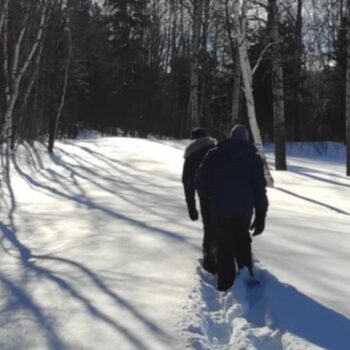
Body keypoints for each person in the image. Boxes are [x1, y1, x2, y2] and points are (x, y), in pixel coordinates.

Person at [195, 124, 268, 291]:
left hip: (221, 209)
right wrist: (261, 214)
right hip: (244, 211)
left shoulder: (214, 155)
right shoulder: (254, 158)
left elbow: (200, 181)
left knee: (225, 246)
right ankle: (247, 281)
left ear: (230, 137)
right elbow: (259, 189)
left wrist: (208, 197)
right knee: (243, 240)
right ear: (246, 139)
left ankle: (225, 285)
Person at [182, 128, 217, 273]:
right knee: (221, 225)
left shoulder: (191, 155)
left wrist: (191, 207)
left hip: (205, 195)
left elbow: (187, 182)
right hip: (221, 194)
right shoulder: (216, 150)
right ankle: (225, 254)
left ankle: (210, 261)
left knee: (209, 226)